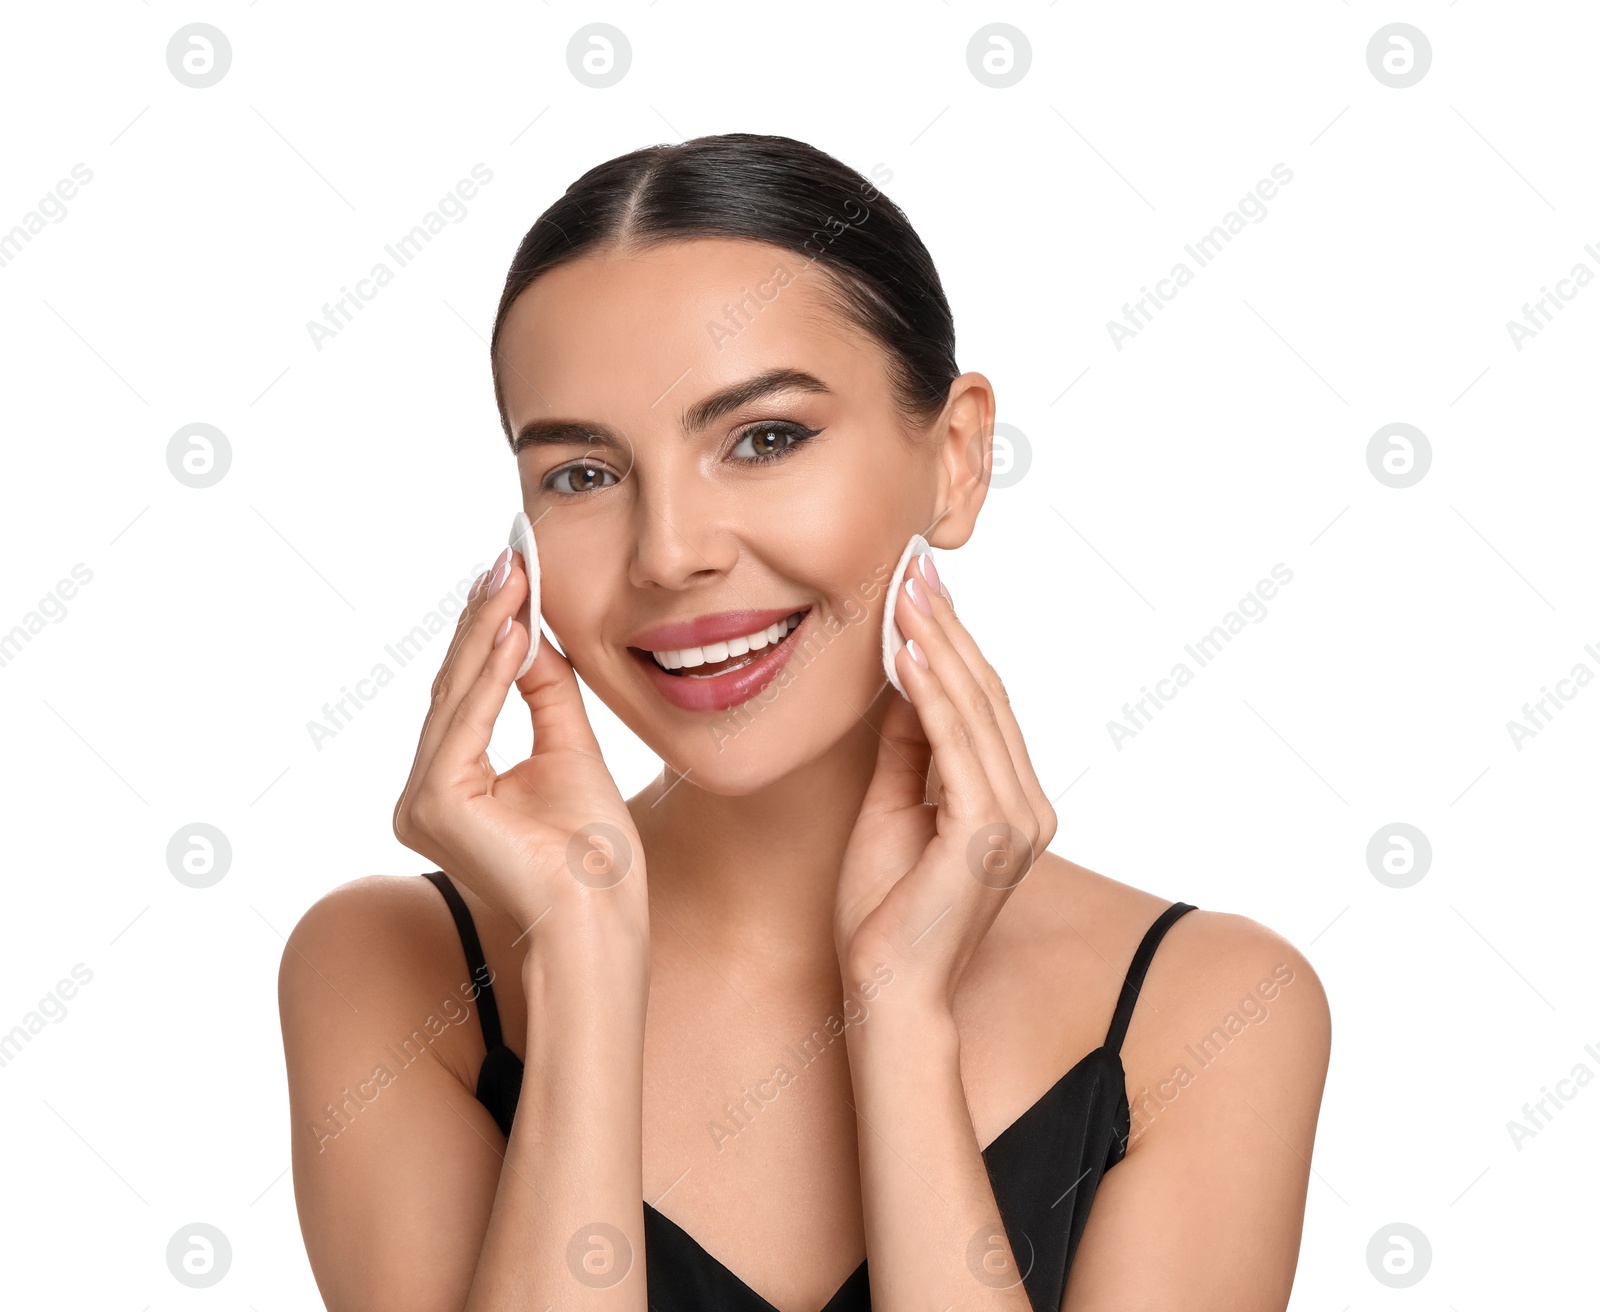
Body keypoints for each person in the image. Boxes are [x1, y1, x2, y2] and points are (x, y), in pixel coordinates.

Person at [278, 132, 1331, 1311]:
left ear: (957, 457)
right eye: (582, 474)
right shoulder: (389, 969)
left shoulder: (1213, 1006)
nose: (670, 553)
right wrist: (580, 960)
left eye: (764, 438)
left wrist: (900, 1019)